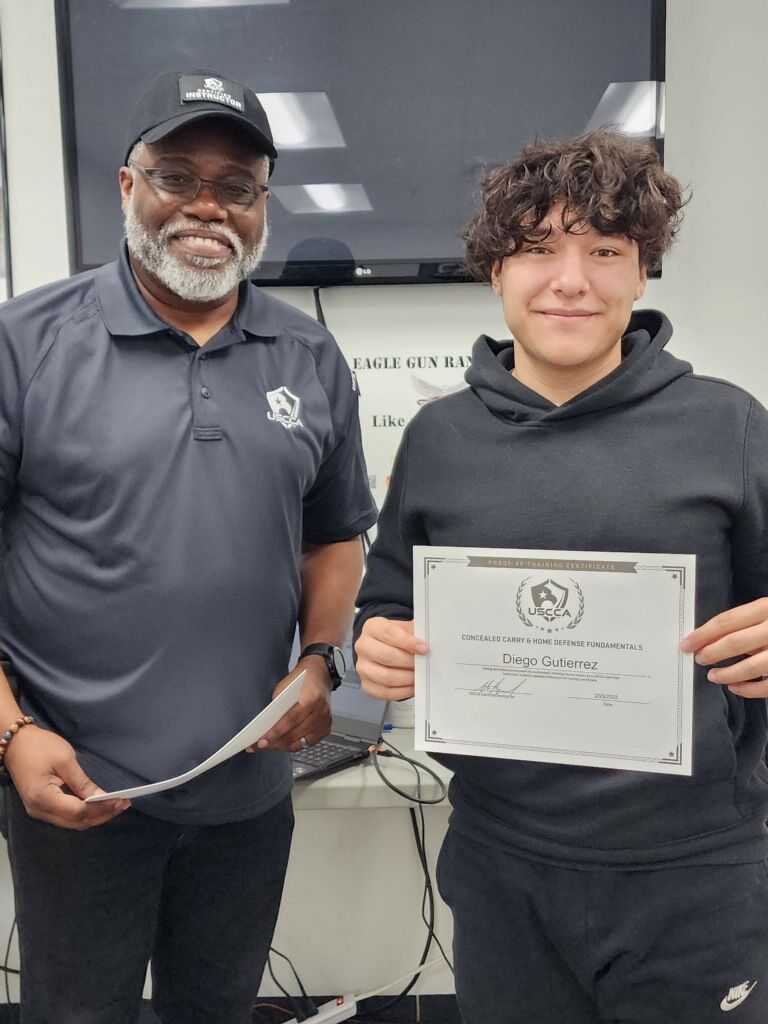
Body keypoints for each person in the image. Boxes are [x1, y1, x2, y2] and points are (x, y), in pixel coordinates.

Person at [354, 131, 768, 1024]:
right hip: (504, 868)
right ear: (495, 273)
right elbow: (387, 600)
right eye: (538, 250)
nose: (571, 279)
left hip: (693, 871)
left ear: (643, 273)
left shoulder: (730, 426)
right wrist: (377, 645)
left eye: (605, 251)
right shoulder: (440, 438)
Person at [0, 68, 376, 1024]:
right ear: (128, 188)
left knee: (216, 1008)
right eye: (176, 176)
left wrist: (322, 661)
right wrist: (12, 731)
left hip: (248, 797)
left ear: (262, 206)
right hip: (76, 795)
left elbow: (334, 535)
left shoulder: (309, 356)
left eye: (238, 185)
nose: (207, 207)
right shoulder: (25, 344)